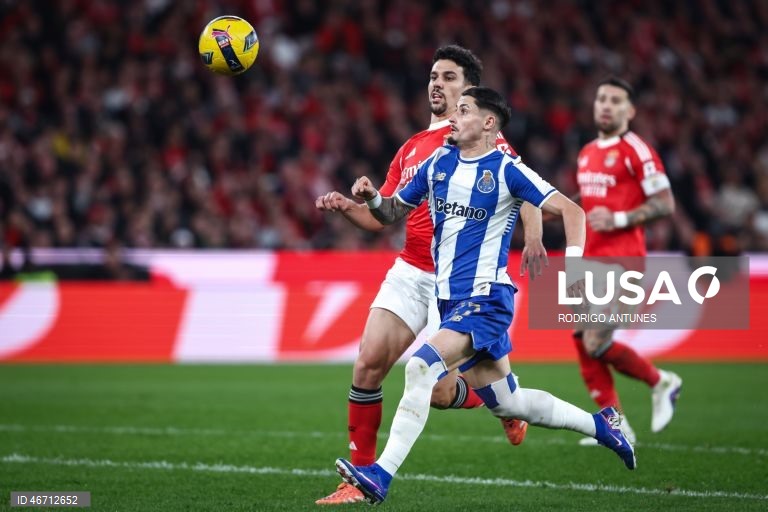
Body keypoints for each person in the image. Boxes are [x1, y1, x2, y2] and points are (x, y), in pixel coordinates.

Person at [334, 86, 636, 505]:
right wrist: (371, 198)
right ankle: (603, 425)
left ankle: (380, 475)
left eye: (464, 111)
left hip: (486, 299)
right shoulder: (438, 161)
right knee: (509, 403)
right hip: (448, 300)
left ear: (488, 123)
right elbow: (392, 212)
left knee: (420, 368)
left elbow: (573, 211)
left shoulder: (509, 169)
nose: (453, 118)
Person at [314, 46, 545, 505]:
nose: (436, 84)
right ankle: (358, 479)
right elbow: (384, 215)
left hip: (460, 285)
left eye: (449, 77)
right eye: (433, 76)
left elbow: (534, 195)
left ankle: (500, 400)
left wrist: (534, 238)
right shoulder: (412, 148)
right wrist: (347, 208)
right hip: (412, 270)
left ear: (471, 91)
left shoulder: (490, 141)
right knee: (367, 365)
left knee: (440, 392)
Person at [572, 77, 682, 445]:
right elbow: (586, 196)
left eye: (616, 100)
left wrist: (619, 219)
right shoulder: (587, 151)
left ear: (630, 111)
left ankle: (661, 381)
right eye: (601, 98)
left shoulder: (637, 150)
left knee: (595, 343)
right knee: (579, 338)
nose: (606, 105)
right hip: (588, 259)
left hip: (622, 261)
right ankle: (615, 423)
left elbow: (665, 203)